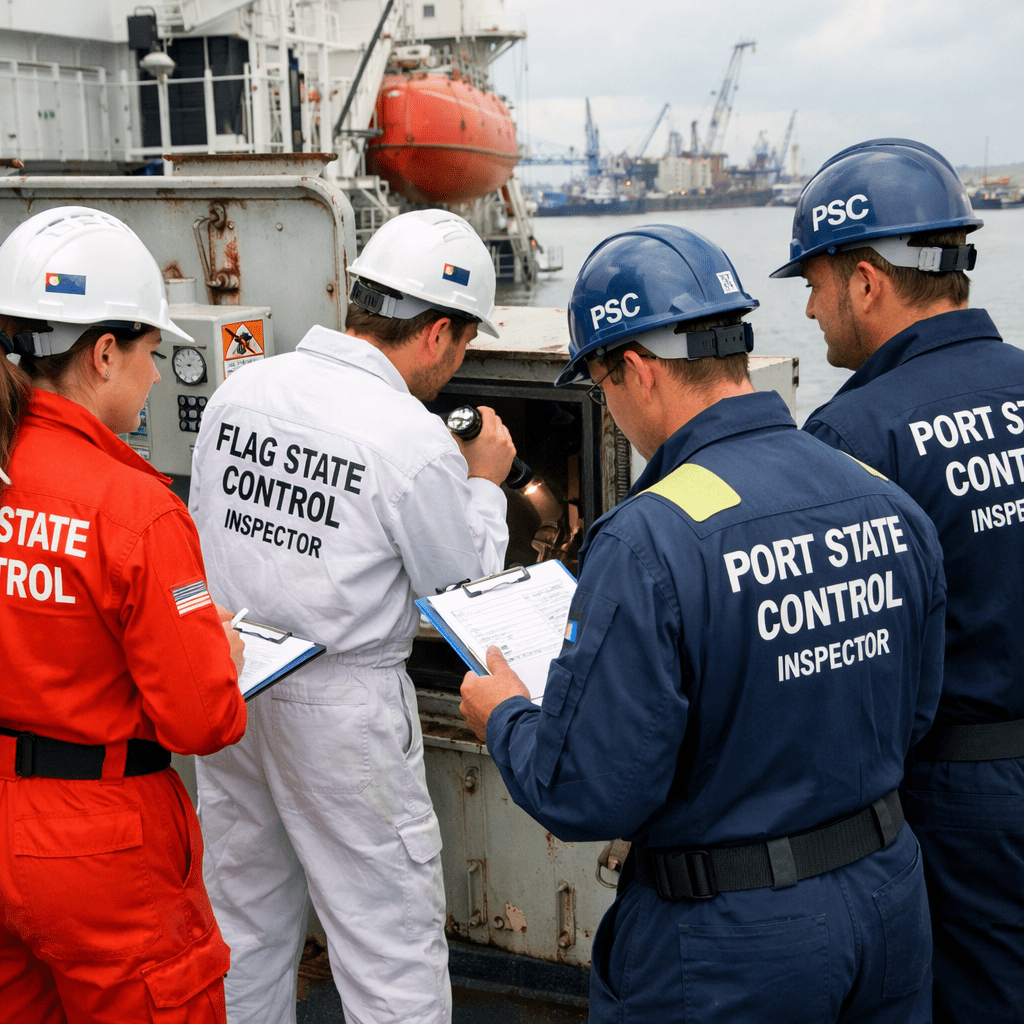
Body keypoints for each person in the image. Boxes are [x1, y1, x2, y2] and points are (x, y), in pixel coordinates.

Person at [459, 224, 948, 1023]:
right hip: (889, 901)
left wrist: (507, 715)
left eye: (604, 387)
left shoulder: (650, 538)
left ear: (638, 372)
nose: (610, 411)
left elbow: (588, 789)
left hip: (732, 943)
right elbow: (915, 712)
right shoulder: (879, 494)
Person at [189, 208, 514, 1024]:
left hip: (234, 678)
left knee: (244, 924)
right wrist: (484, 483)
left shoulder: (242, 390)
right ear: (438, 332)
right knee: (388, 950)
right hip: (344, 716)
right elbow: (461, 596)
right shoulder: (412, 437)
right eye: (466, 340)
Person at [771, 137, 1024, 1024]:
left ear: (867, 280)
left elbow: (847, 660)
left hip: (959, 799)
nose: (809, 310)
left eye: (813, 282)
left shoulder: (856, 434)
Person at [0, 206, 248, 1023]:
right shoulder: (133, 507)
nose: (154, 376)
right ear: (103, 353)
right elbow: (202, 719)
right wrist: (227, 658)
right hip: (103, 847)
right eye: (152, 353)